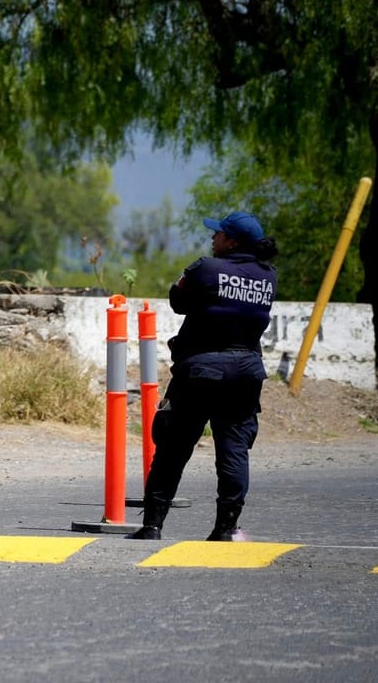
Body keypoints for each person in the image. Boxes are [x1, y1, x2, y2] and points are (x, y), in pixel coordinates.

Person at [129, 211, 278, 541]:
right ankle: (225, 529)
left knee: (173, 447)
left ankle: (152, 525)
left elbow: (177, 301)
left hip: (201, 371)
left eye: (219, 234)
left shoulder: (206, 268)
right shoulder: (268, 276)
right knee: (234, 449)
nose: (213, 238)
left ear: (232, 241)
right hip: (247, 372)